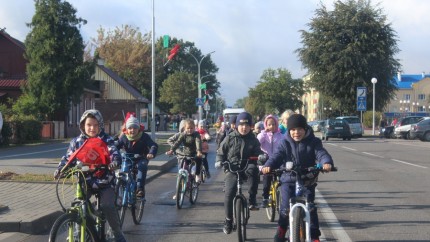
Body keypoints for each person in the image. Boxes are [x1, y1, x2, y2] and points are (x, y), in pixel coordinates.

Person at [54, 109, 126, 242]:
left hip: (105, 181)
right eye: (88, 125)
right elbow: (69, 158)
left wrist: (114, 162)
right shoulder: (77, 142)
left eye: (95, 125)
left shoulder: (106, 140)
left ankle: (117, 233)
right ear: (82, 125)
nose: (92, 128)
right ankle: (79, 234)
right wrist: (61, 169)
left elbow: (114, 153)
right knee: (78, 205)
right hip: (85, 181)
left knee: (107, 206)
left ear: (100, 125)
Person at [261, 114, 334, 242]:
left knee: (310, 208)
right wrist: (268, 166)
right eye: (293, 129)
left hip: (307, 179)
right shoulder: (284, 143)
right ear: (289, 130)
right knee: (284, 208)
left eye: (300, 129)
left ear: (305, 129)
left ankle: (315, 236)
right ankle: (282, 229)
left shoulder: (314, 141)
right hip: (288, 179)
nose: (296, 132)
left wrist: (326, 163)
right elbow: (276, 156)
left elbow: (321, 153)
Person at [215, 112, 265, 235]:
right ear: (237, 125)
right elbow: (221, 152)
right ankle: (228, 220)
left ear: (250, 127)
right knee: (229, 192)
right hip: (232, 168)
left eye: (247, 125)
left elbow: (258, 152)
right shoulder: (229, 137)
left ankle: (252, 200)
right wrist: (220, 161)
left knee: (254, 171)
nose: (244, 127)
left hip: (247, 166)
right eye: (241, 125)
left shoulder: (253, 139)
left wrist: (261, 157)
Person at [116, 115, 158, 198]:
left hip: (141, 158)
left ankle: (140, 189)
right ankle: (122, 186)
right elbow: (116, 146)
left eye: (135, 128)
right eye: (130, 128)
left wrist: (151, 153)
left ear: (138, 128)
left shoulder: (144, 136)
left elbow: (153, 145)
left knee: (142, 166)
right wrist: (111, 150)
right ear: (127, 129)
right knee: (123, 169)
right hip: (128, 158)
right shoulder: (124, 137)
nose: (132, 130)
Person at [257, 115, 284, 208]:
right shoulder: (263, 135)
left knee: (283, 176)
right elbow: (258, 141)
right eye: (269, 125)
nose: (271, 126)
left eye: (273, 124)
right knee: (267, 177)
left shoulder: (281, 136)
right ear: (265, 125)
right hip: (266, 161)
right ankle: (265, 198)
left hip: (278, 161)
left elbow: (285, 147)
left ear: (277, 125)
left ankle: (283, 196)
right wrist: (264, 133)